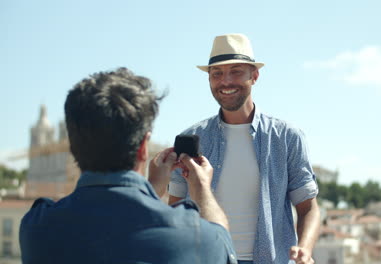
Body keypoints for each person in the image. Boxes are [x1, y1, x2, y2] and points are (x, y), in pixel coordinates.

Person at [19, 67, 237, 264]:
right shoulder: (194, 236)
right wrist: (201, 190)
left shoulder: (36, 227)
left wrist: (151, 189)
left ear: (73, 144)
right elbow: (223, 245)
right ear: (144, 146)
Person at [164, 34, 321, 264]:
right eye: (217, 73)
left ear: (254, 76)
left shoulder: (287, 137)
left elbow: (308, 208)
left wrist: (304, 249)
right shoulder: (192, 139)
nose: (226, 81)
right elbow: (176, 208)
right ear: (209, 79)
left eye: (236, 71)